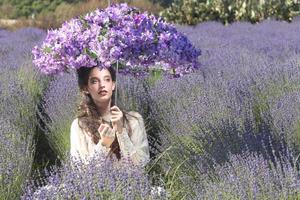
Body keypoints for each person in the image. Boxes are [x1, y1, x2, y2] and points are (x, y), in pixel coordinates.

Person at [70, 65, 150, 167]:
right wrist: (104, 144)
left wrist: (121, 132)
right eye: (94, 81)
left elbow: (140, 164)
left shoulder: (134, 119)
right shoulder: (79, 125)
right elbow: (80, 172)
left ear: (113, 85)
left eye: (107, 79)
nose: (102, 85)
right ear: (85, 88)